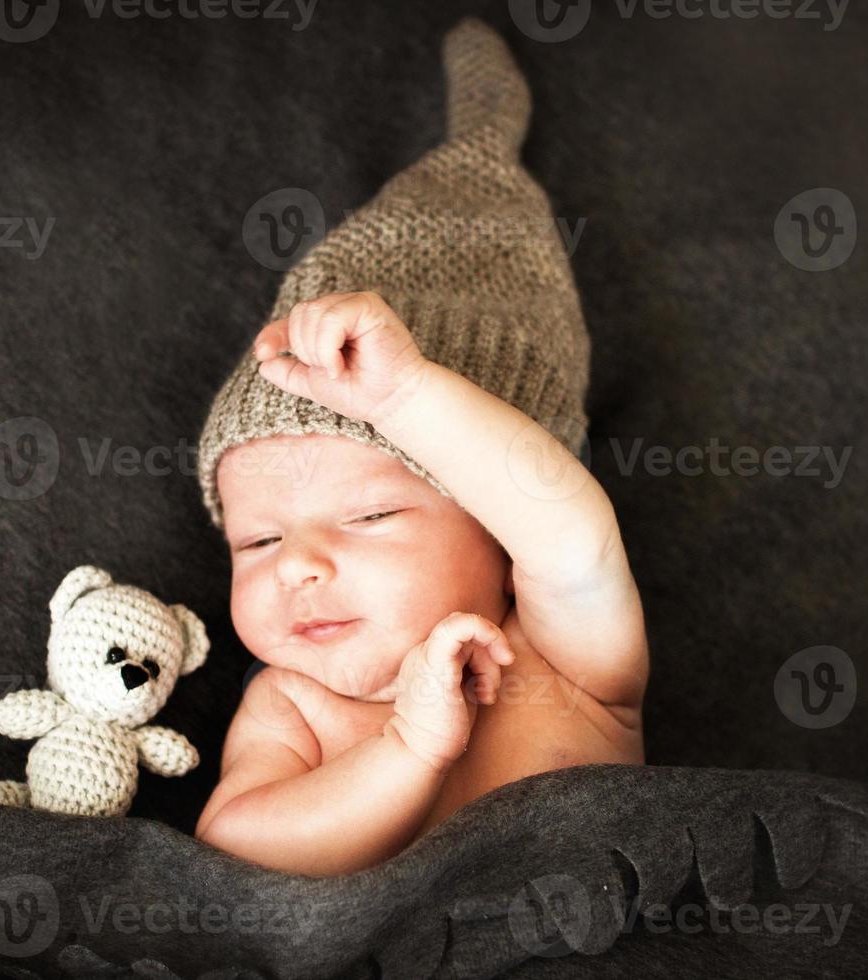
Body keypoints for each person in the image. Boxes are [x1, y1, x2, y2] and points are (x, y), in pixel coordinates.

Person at [191, 18, 648, 877]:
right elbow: (232, 845)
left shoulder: (560, 653)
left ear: (493, 522)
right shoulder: (293, 705)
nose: (298, 566)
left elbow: (567, 533)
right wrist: (406, 748)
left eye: (368, 514)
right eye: (257, 540)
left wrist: (404, 395)